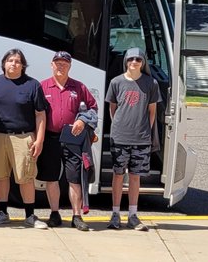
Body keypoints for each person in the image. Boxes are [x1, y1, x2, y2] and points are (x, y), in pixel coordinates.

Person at [0, 48, 49, 229]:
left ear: (23, 66)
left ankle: (30, 216)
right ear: (4, 63)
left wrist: (39, 140)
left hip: (23, 137)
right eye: (10, 60)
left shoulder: (32, 85)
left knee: (26, 177)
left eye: (17, 61)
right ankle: (2, 212)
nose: (13, 64)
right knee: (0, 176)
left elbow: (40, 114)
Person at [38, 51, 98, 232]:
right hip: (50, 138)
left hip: (72, 139)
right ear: (51, 65)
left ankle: (76, 216)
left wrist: (82, 120)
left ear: (70, 66)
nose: (60, 66)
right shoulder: (42, 87)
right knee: (51, 178)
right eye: (57, 62)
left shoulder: (78, 87)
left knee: (75, 179)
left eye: (64, 63)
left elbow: (93, 108)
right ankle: (54, 213)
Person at [105, 47, 160, 231]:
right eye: (130, 59)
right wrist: (118, 127)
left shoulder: (151, 83)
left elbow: (152, 111)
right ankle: (115, 214)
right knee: (118, 175)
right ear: (126, 61)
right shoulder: (116, 82)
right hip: (120, 137)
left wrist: (146, 130)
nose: (134, 62)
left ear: (143, 62)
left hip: (141, 138)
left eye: (138, 59)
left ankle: (133, 215)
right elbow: (112, 108)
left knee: (135, 177)